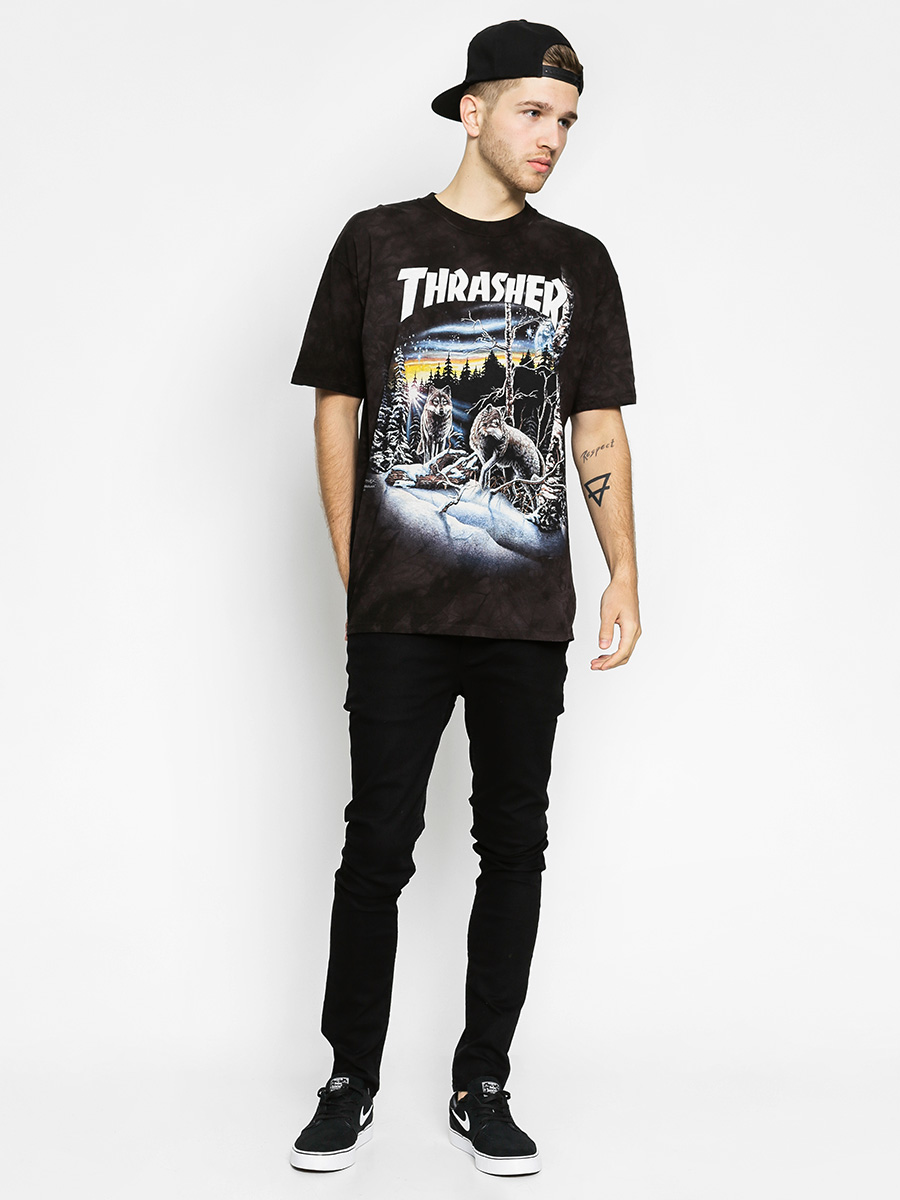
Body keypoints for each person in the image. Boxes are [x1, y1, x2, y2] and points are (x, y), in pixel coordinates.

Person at [287, 18, 640, 1176]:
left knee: (515, 846)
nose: (554, 138)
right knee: (377, 843)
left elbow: (595, 424)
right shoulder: (377, 241)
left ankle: (483, 1081)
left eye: (568, 121)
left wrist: (625, 569)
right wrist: (356, 559)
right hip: (398, 608)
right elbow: (336, 401)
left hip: (525, 617)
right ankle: (349, 1078)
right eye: (534, 112)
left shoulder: (579, 262)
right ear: (472, 110)